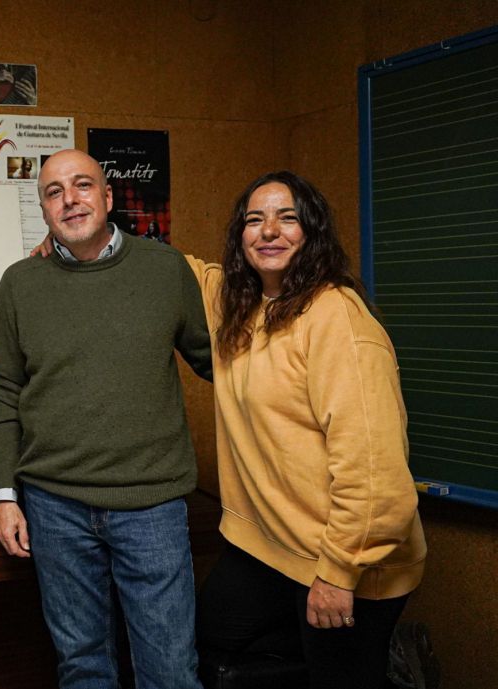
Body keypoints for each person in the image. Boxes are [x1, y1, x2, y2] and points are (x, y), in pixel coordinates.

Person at [188, 171, 425, 689]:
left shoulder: (337, 320)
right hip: (272, 545)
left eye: (287, 217)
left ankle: (394, 670)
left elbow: (376, 479)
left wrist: (337, 575)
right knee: (208, 635)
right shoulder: (241, 304)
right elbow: (187, 274)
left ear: (312, 231)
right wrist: (90, 237)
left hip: (350, 561)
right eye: (255, 219)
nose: (269, 230)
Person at [0, 149, 212, 689]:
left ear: (108, 198)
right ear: (43, 210)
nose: (70, 199)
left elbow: (220, 364)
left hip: (150, 504)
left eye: (82, 185)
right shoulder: (20, 283)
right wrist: (4, 495)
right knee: (82, 666)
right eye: (54, 192)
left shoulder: (165, 269)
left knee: (171, 671)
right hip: (53, 505)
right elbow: (2, 394)